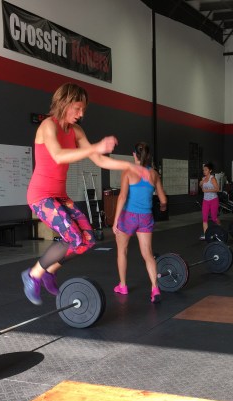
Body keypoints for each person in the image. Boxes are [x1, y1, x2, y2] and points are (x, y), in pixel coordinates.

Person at [22, 82, 141, 305]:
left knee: (87, 240)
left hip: (59, 196)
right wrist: (95, 146)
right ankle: (33, 274)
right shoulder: (48, 126)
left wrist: (128, 166)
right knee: (73, 237)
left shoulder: (76, 131)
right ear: (64, 103)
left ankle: (49, 272)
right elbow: (58, 155)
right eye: (77, 108)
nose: (81, 114)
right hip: (41, 196)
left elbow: (99, 160)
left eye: (83, 109)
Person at [112, 142, 167, 303]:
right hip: (146, 217)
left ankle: (123, 286)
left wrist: (115, 221)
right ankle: (155, 289)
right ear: (148, 156)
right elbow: (163, 200)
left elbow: (122, 197)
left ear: (134, 154)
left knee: (122, 251)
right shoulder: (154, 174)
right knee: (148, 254)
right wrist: (162, 207)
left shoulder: (128, 172)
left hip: (128, 217)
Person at [199, 161, 220, 240]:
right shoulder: (203, 178)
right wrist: (201, 183)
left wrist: (207, 190)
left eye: (206, 170)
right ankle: (206, 234)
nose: (204, 171)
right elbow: (201, 186)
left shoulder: (212, 178)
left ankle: (220, 228)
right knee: (204, 218)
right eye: (203, 170)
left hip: (213, 200)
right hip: (205, 200)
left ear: (210, 170)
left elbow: (217, 189)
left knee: (214, 218)